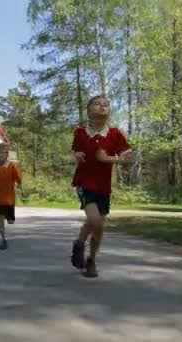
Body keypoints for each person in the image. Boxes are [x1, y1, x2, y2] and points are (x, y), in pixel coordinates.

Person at [70, 95, 131, 278]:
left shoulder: (115, 134)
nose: (102, 106)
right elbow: (74, 151)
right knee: (95, 221)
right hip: (84, 183)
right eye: (97, 104)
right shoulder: (81, 133)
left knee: (97, 225)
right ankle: (82, 246)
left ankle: (90, 258)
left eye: (106, 104)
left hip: (104, 186)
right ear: (88, 111)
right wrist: (77, 154)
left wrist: (110, 159)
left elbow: (129, 157)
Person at [0, 143, 22, 250]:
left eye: (0, 153)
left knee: (10, 221)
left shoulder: (11, 166)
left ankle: (7, 232)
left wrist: (18, 185)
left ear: (6, 154)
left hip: (9, 199)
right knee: (0, 218)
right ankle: (3, 239)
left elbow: (18, 178)